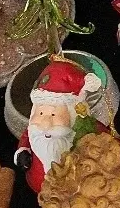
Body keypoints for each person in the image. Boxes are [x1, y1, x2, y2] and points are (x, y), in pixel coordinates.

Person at [14, 56, 104, 194]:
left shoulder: (84, 128)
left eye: (54, 115)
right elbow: (27, 136)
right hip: (39, 184)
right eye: (41, 113)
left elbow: (102, 134)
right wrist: (23, 150)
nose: (46, 124)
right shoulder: (35, 131)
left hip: (77, 189)